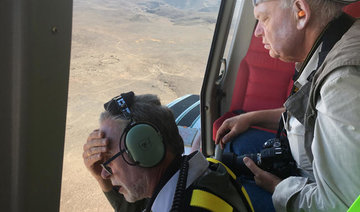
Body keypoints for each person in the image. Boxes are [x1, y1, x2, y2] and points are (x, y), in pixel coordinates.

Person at [215, 0, 360, 211]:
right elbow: (312, 113)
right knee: (234, 142)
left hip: (314, 193)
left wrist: (278, 188)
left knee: (227, 192)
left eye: (264, 18)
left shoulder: (341, 85)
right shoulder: (337, 40)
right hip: (305, 169)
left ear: (301, 12)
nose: (257, 32)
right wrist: (251, 118)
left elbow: (338, 206)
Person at [83, 91, 253, 212]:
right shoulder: (210, 169)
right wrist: (100, 178)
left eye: (109, 161)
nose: (105, 174)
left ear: (145, 148)